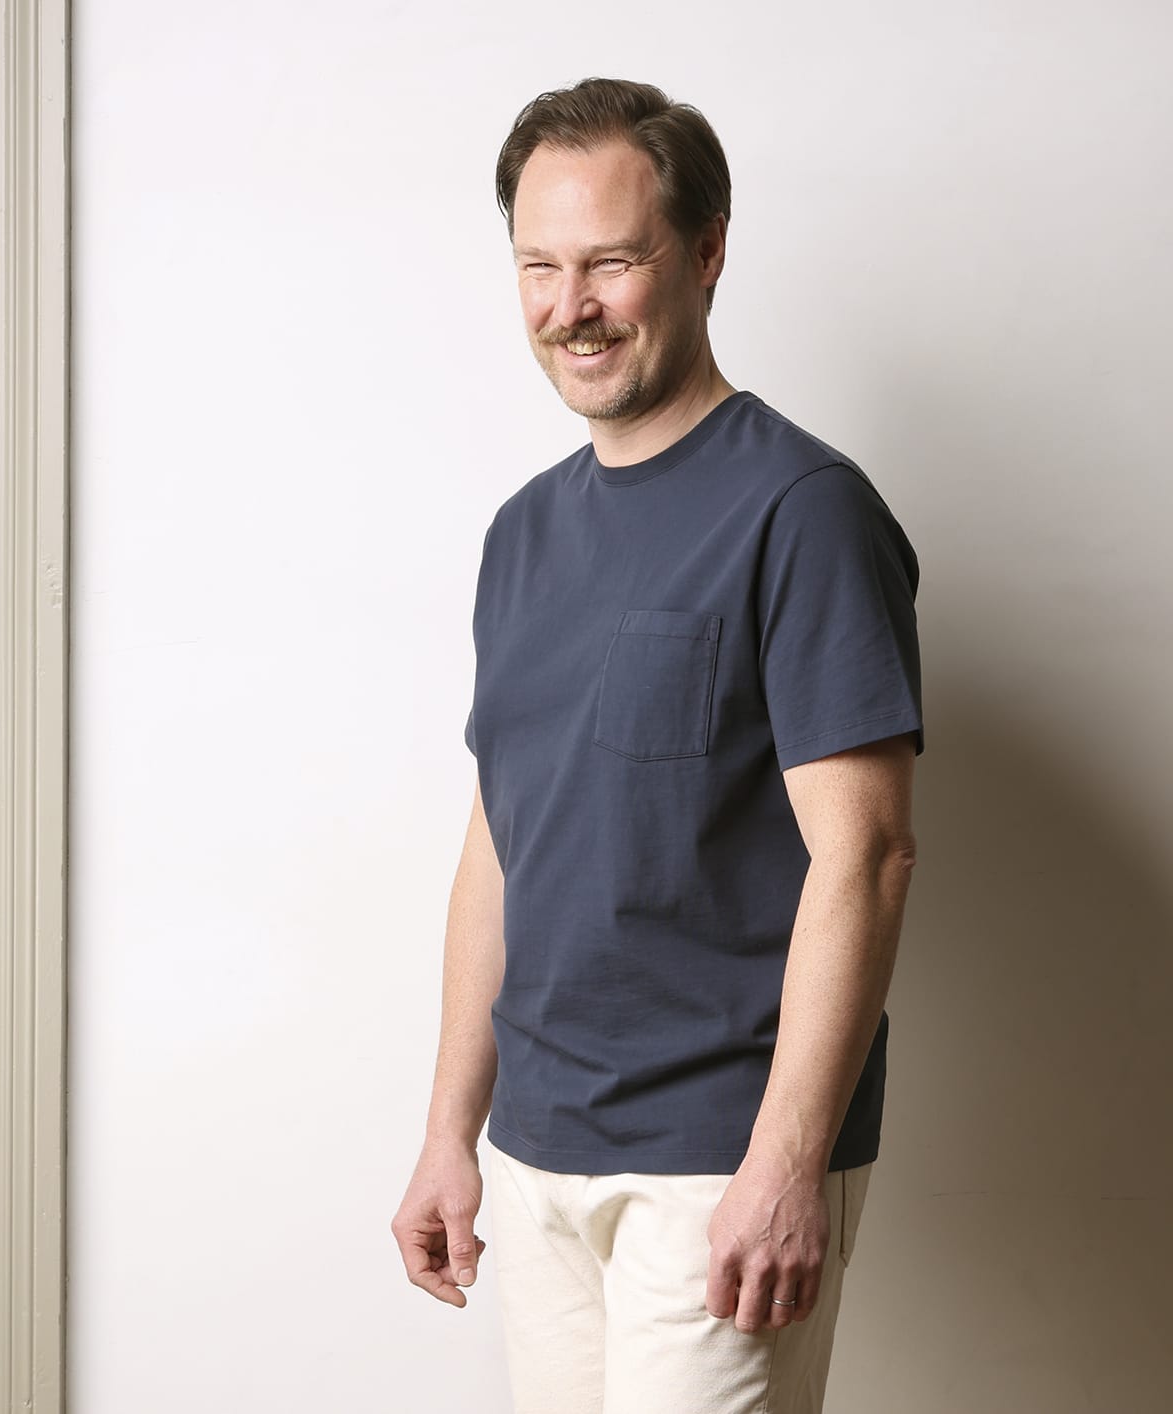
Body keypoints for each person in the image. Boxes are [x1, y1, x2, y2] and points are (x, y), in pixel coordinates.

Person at [392, 77, 923, 1414]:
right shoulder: (522, 533)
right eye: (540, 266)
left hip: (717, 1162)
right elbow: (501, 844)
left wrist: (786, 1161)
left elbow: (867, 857)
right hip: (539, 1155)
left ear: (706, 251)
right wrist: (452, 1132)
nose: (571, 306)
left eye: (612, 262)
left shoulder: (802, 511)